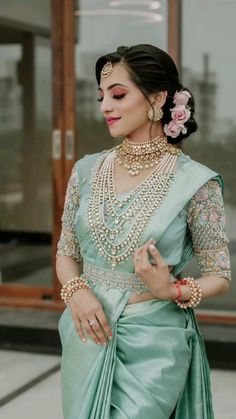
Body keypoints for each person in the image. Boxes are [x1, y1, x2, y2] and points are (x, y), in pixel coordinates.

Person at [56, 44, 231, 419]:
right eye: (102, 96)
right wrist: (77, 292)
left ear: (157, 98)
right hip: (86, 336)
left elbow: (219, 275)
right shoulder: (86, 171)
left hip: (153, 345)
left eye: (118, 95)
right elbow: (66, 252)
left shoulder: (196, 183)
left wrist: (170, 289)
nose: (105, 107)